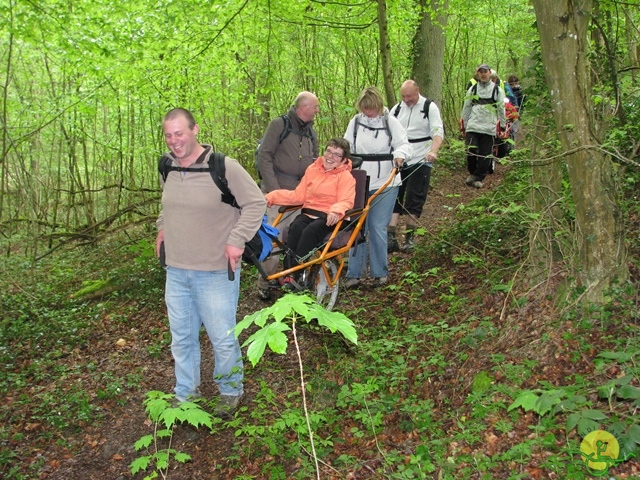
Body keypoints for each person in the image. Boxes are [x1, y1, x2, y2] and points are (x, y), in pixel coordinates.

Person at [156, 108, 266, 417]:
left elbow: (256, 202)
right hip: (176, 271)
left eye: (179, 133)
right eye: (168, 135)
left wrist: (237, 239)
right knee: (182, 338)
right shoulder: (167, 166)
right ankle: (185, 392)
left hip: (216, 272)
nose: (174, 141)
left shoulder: (223, 166)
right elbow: (167, 202)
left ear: (195, 130)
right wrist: (162, 227)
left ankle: (230, 391)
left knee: (222, 338)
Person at [265, 138, 356, 289]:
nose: (330, 156)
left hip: (332, 217)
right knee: (295, 227)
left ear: (344, 160)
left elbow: (346, 200)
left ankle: (295, 272)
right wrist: (271, 197)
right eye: (328, 151)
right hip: (309, 213)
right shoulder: (312, 170)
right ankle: (290, 273)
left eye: (336, 155)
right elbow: (298, 196)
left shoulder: (346, 177)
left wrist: (336, 210)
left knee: (310, 231)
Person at [343, 86, 410, 288]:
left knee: (377, 227)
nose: (367, 112)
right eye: (364, 108)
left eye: (370, 108)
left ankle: (380, 272)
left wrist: (400, 156)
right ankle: (354, 273)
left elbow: (404, 144)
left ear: (378, 105)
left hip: (386, 182)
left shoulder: (391, 122)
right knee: (357, 226)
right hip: (359, 181)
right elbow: (346, 146)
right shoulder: (355, 122)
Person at [256, 91, 320, 300]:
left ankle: (291, 278)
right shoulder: (278, 125)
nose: (318, 111)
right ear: (303, 107)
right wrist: (274, 189)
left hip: (302, 195)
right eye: (315, 107)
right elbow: (264, 156)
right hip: (277, 194)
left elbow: (316, 163)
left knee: (295, 237)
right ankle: (265, 281)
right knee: (273, 238)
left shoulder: (311, 132)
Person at [387, 80, 444, 252]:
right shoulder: (396, 109)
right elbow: (389, 132)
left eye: (409, 96)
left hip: (421, 158)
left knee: (415, 197)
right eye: (403, 96)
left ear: (417, 91)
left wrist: (433, 151)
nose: (406, 99)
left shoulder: (429, 107)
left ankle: (409, 237)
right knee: (395, 195)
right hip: (400, 158)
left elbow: (437, 131)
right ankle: (391, 236)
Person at [460, 63, 506, 189]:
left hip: (488, 128)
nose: (483, 74)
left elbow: (501, 108)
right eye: (481, 72)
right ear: (478, 74)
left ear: (490, 73)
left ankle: (478, 177)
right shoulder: (472, 89)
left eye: (485, 72)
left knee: (486, 155)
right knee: (471, 150)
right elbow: (466, 107)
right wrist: (463, 124)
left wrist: (502, 125)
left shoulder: (497, 90)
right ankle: (473, 174)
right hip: (473, 126)